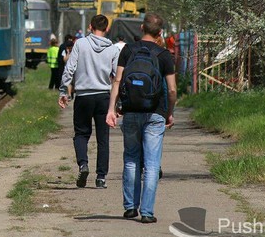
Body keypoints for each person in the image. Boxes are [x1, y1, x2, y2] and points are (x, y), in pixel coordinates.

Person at [106, 13, 177, 224]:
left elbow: (117, 81)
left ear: (141, 28)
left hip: (130, 111)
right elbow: (172, 90)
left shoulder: (128, 50)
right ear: (160, 33)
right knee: (152, 164)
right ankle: (147, 212)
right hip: (156, 113)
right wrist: (169, 112)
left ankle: (130, 207)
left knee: (131, 158)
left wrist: (111, 109)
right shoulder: (164, 55)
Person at [58, 15, 120, 189]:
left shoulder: (80, 44)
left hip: (83, 96)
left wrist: (63, 91)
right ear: (107, 29)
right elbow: (117, 76)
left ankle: (83, 165)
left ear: (90, 27)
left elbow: (69, 69)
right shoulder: (113, 49)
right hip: (104, 97)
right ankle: (101, 177)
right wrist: (118, 102)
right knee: (103, 138)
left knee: (81, 134)